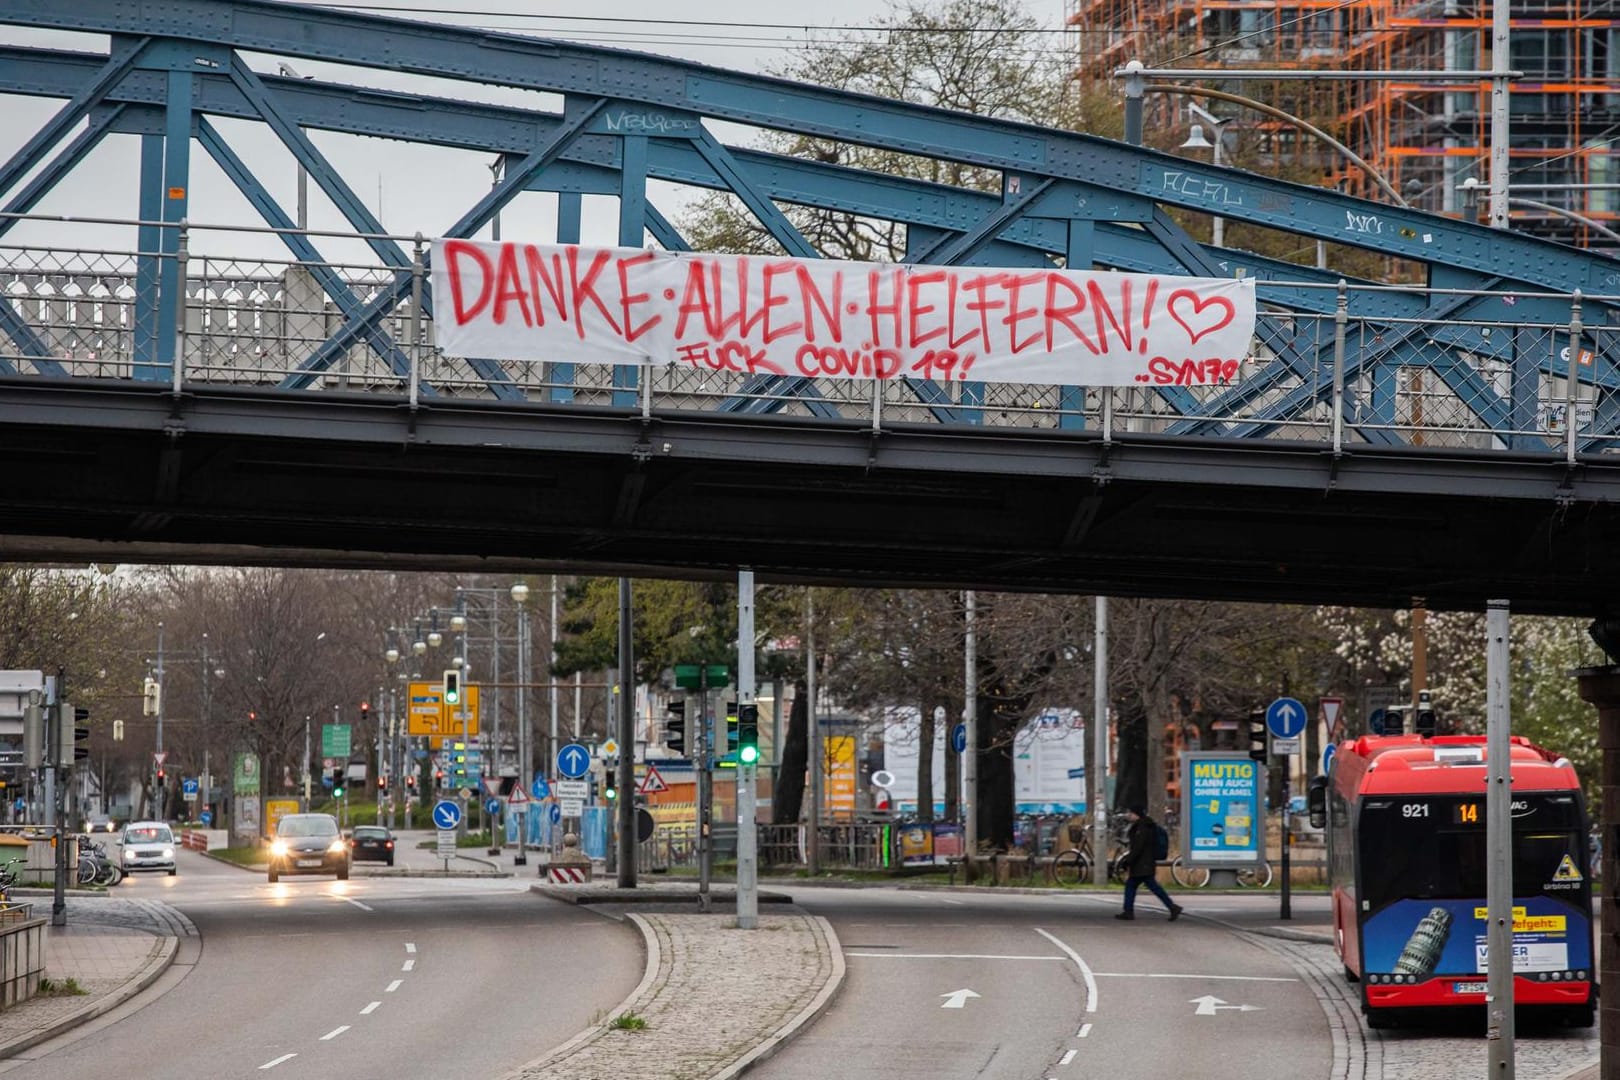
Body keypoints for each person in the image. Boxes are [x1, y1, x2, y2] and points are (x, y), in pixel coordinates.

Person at [1115, 805, 1183, 921]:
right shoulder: (1146, 825)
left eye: (1131, 813)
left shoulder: (1142, 828)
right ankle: (1172, 907)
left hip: (1143, 863)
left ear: (1137, 815)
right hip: (1145, 862)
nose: (1129, 815)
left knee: (1134, 885)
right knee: (1149, 886)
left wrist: (1128, 860)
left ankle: (1129, 911)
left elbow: (1138, 847)